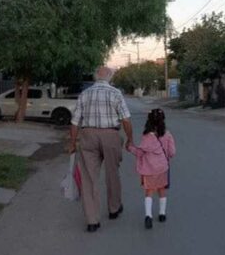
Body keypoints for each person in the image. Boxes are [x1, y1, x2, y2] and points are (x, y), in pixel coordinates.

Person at [69, 66, 133, 233]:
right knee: (112, 173)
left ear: (96, 77)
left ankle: (92, 220)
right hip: (111, 135)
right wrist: (130, 139)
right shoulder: (115, 93)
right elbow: (126, 120)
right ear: (109, 77)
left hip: (88, 136)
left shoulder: (85, 94)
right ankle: (114, 208)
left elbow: (75, 122)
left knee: (89, 178)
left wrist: (72, 143)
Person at [128, 108, 176, 229]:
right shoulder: (168, 134)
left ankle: (148, 215)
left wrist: (130, 148)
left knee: (149, 191)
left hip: (149, 169)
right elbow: (172, 152)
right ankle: (162, 214)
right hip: (163, 168)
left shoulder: (146, 137)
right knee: (162, 190)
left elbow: (141, 152)